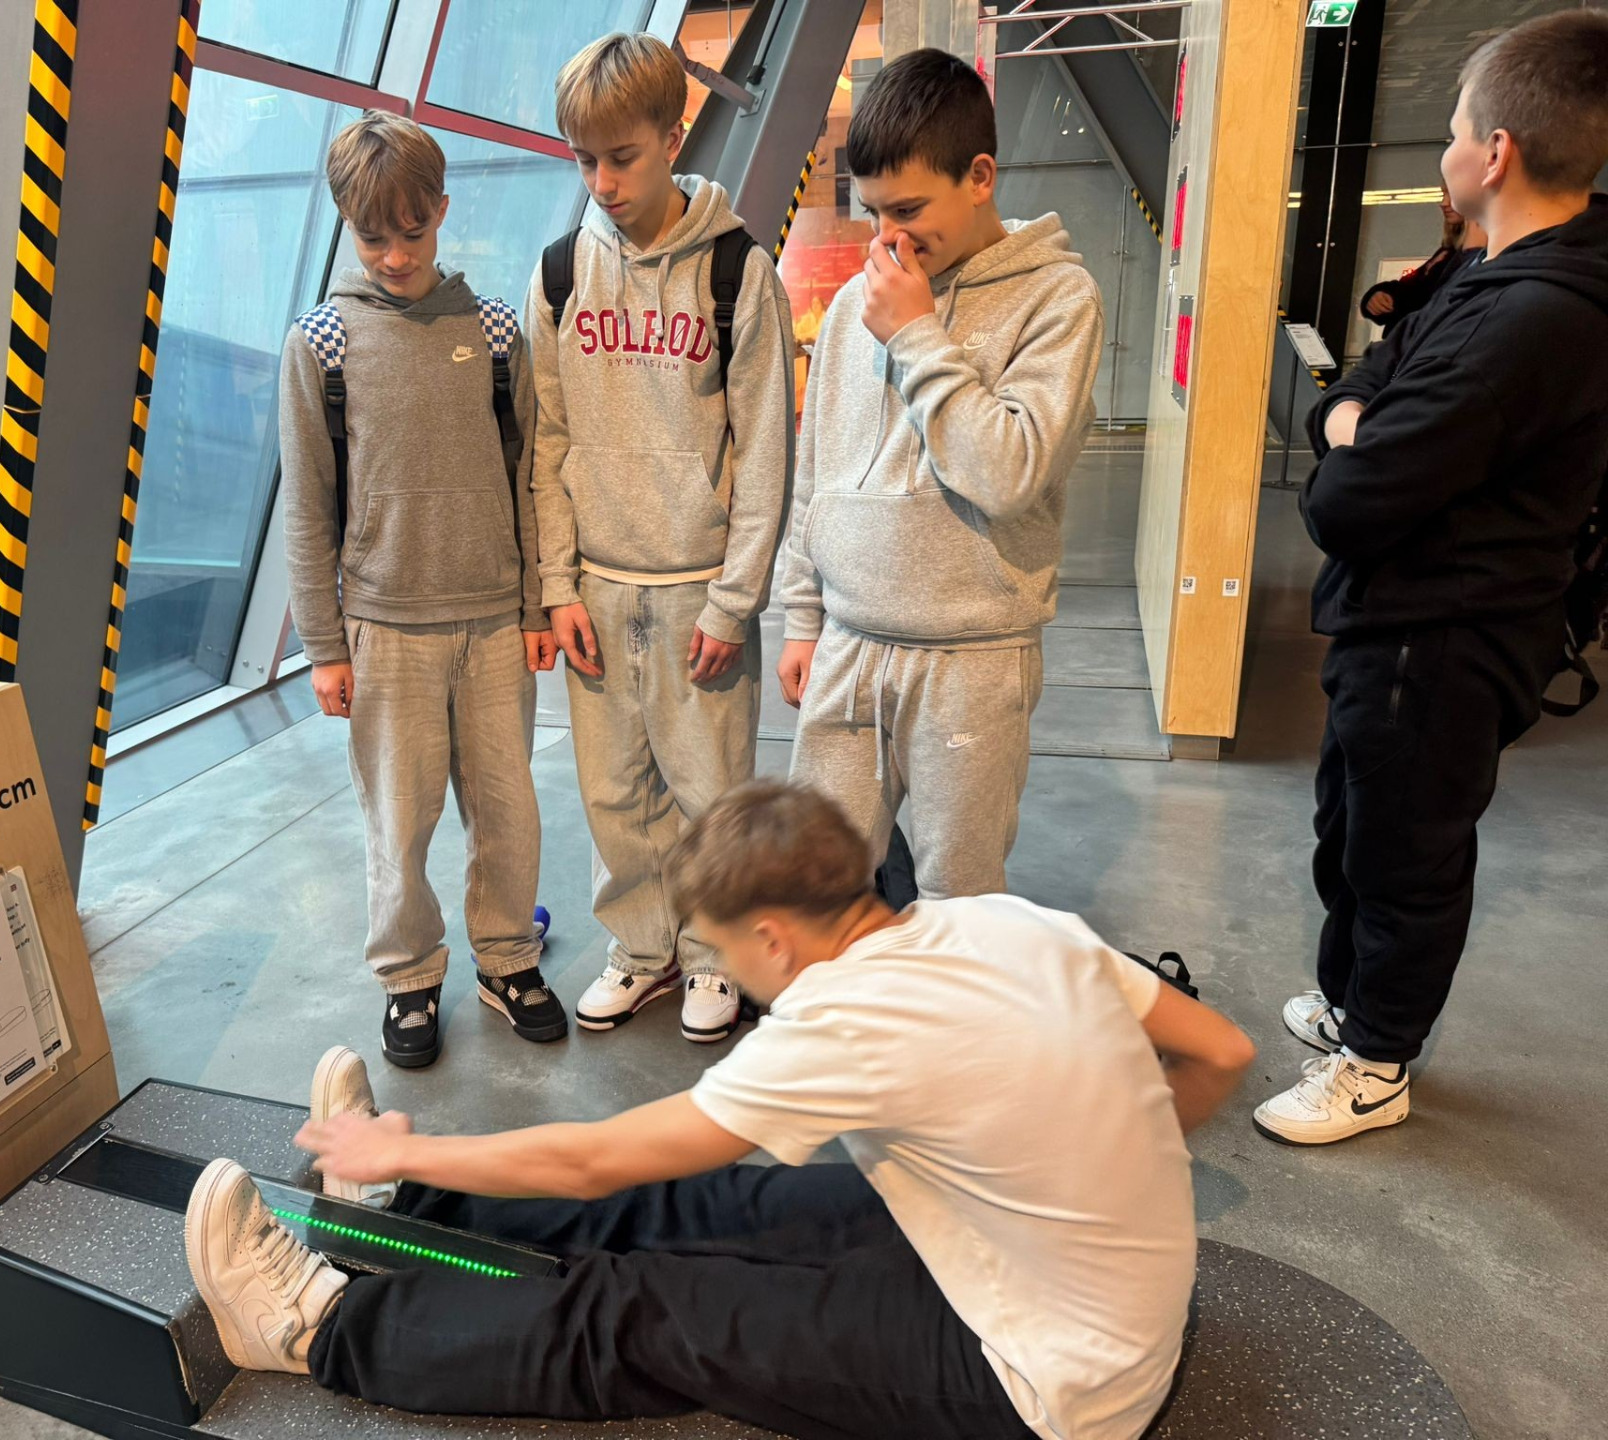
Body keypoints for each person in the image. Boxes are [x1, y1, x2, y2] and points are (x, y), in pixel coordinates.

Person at [183, 780, 1257, 1440]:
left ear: (774, 937)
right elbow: (1224, 1050)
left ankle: (314, 1329)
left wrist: (411, 1142)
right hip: (1045, 1278)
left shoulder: (845, 1019)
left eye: (727, 949)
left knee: (649, 1313)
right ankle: (404, 1213)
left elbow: (595, 1159)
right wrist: (1098, 1163)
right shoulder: (1002, 921)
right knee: (711, 1203)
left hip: (1050, 1390)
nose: (729, 970)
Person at [1258, 9, 1608, 1146]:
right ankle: (1354, 1006)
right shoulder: (1481, 272)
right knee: (1352, 831)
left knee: (1406, 854)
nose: (1447, 147)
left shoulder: (1538, 318)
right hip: (1393, 623)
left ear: (1495, 152)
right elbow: (1369, 370)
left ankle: (1378, 1063)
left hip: (1447, 638)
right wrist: (1357, 418)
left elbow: (1344, 502)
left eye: (1455, 129)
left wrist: (1352, 437)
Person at [774, 48, 1104, 900]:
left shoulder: (1057, 299)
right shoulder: (853, 306)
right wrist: (802, 617)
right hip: (848, 641)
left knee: (960, 897)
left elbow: (1010, 470)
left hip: (973, 654)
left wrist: (918, 335)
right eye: (874, 210)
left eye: (910, 209)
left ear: (980, 176)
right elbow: (817, 468)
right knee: (818, 890)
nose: (888, 236)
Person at [279, 112, 565, 1070]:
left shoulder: (493, 331)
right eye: (373, 237)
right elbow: (308, 507)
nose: (396, 256)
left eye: (412, 232)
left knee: (508, 811)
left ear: (443, 210)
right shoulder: (321, 343)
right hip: (383, 629)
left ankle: (508, 959)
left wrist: (534, 605)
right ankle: (409, 976)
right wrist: (324, 646)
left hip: (493, 623)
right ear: (345, 225)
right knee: (398, 824)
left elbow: (529, 476)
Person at [525, 33, 795, 1044]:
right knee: (614, 795)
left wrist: (735, 600)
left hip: (698, 591)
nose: (601, 183)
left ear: (673, 140)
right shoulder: (560, 274)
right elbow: (547, 444)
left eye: (622, 157)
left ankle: (718, 959)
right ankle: (644, 953)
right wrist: (558, 586)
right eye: (583, 160)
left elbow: (766, 452)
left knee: (711, 794)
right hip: (597, 588)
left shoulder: (737, 271)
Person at [1359, 187, 1488, 330]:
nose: (1443, 203)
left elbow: (1444, 304)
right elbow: (1414, 289)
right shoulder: (1449, 250)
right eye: (1443, 194)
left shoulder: (1481, 255)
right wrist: (1381, 295)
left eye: (1452, 194)